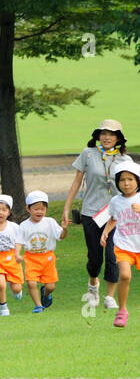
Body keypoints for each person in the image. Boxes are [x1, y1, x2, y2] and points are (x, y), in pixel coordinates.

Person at [63, 119, 129, 311]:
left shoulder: (125, 160)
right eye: (103, 133)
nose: (107, 137)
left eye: (111, 134)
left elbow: (133, 187)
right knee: (95, 258)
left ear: (118, 138)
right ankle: (93, 284)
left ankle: (109, 296)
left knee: (113, 255)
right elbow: (76, 182)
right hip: (91, 213)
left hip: (116, 214)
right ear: (98, 136)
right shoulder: (88, 154)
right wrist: (67, 207)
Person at [96, 159, 140, 328]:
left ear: (137, 180)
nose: (126, 183)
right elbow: (114, 218)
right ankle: (122, 310)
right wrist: (105, 233)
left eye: (130, 179)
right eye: (122, 180)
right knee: (125, 276)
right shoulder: (115, 201)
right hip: (123, 244)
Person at [20, 191, 62, 313]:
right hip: (31, 257)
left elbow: (61, 236)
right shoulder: (24, 225)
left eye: (42, 209)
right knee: (32, 283)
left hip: (48, 257)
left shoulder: (50, 222)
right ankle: (38, 306)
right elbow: (19, 241)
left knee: (51, 286)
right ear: (28, 209)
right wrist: (17, 253)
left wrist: (64, 228)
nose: (39, 212)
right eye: (36, 209)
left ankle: (46, 293)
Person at [0, 194, 23, 316]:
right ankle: (4, 307)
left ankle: (17, 291)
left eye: (4, 210)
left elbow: (20, 241)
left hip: (11, 258)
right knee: (0, 284)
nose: (0, 212)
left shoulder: (14, 227)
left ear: (9, 212)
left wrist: (18, 254)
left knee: (16, 288)